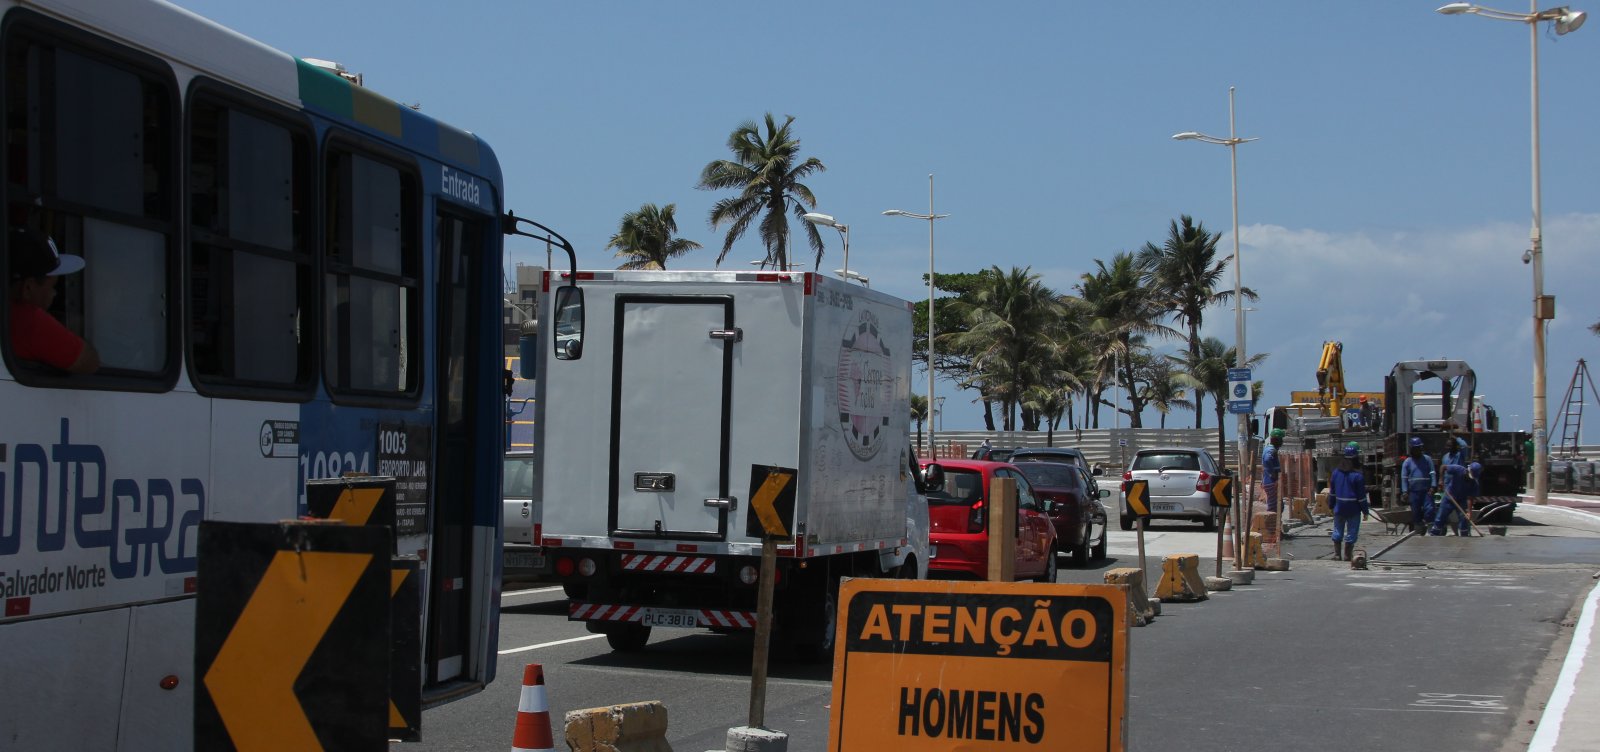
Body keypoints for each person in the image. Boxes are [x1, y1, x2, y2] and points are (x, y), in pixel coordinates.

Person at [8, 227, 97, 373]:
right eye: (53, 287)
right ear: (28, 288)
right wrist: (69, 327)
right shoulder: (25, 319)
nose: (54, 294)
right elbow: (88, 362)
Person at [1328, 444, 1367, 561]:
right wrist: (1365, 511)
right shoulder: (1358, 476)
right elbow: (1361, 497)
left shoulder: (1336, 473)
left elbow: (1332, 493)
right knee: (1352, 531)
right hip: (1354, 509)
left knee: (1338, 530)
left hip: (1339, 507)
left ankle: (1337, 554)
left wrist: (1331, 505)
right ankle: (1347, 555)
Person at [1433, 460, 1480, 537]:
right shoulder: (1458, 469)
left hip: (1462, 500)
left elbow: (1470, 498)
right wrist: (1441, 480)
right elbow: (1443, 467)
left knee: (1464, 519)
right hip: (1449, 497)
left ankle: (1464, 538)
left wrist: (1469, 511)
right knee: (1441, 517)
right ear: (1468, 471)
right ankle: (1434, 535)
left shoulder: (1474, 483)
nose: (1470, 479)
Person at [1400, 437, 1437, 533]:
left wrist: (1433, 486)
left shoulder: (1427, 459)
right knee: (1416, 512)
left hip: (1426, 491)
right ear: (1411, 449)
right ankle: (1419, 529)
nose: (1417, 451)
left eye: (1418, 448)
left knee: (1429, 510)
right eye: (1415, 448)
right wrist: (1405, 491)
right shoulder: (1407, 462)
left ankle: (1431, 531)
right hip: (1414, 492)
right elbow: (1404, 478)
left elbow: (1432, 473)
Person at [1261, 428, 1284, 513]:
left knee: (1279, 506)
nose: (1282, 442)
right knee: (1274, 508)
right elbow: (1267, 460)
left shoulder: (1269, 449)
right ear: (1276, 440)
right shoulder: (1271, 450)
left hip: (1270, 481)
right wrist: (1273, 475)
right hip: (1271, 482)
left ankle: (1275, 524)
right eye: (1281, 439)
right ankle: (1270, 524)